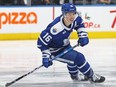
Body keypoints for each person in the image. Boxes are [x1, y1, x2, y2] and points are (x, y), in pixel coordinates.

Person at [37, 3, 105, 83]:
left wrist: (82, 35)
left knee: (72, 60)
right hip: (55, 51)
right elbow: (41, 43)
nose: (72, 16)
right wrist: (46, 56)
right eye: (69, 14)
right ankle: (92, 76)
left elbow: (79, 23)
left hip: (66, 45)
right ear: (64, 14)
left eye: (73, 13)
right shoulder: (55, 28)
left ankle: (75, 77)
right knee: (79, 58)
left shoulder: (75, 18)